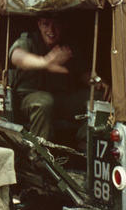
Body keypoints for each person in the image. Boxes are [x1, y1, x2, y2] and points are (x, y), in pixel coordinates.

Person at [9, 15, 100, 144]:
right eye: (46, 24)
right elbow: (17, 57)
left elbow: (81, 72)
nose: (51, 31)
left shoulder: (66, 45)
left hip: (61, 98)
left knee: (97, 98)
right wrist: (45, 62)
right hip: (30, 98)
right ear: (39, 24)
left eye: (56, 25)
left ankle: (84, 145)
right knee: (44, 101)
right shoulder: (28, 41)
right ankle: (39, 156)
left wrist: (98, 82)